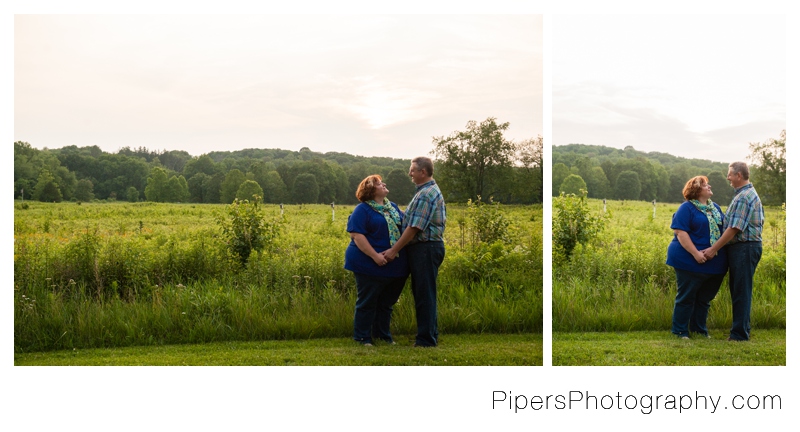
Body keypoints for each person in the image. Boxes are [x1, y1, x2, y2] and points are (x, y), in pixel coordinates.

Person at [383, 157, 446, 347]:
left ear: (423, 172)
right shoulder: (424, 192)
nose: (409, 173)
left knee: (424, 295)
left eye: (412, 170)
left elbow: (414, 227)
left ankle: (426, 340)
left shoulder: (426, 194)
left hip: (425, 248)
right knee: (424, 293)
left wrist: (394, 250)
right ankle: (429, 335)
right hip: (425, 248)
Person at [344, 174, 409, 346]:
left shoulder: (392, 207)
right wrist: (376, 256)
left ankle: (382, 335)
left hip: (394, 265)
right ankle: (363, 337)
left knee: (387, 303)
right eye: (380, 184)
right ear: (371, 190)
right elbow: (357, 235)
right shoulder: (362, 210)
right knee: (367, 302)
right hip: (368, 264)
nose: (384, 184)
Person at [702, 162, 764, 341]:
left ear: (738, 175)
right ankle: (741, 329)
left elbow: (734, 228)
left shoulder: (744, 196)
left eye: (730, 174)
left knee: (741, 291)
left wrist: (714, 249)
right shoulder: (743, 194)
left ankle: (739, 335)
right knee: (739, 290)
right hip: (744, 248)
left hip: (745, 248)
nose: (727, 177)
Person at [665, 176, 727, 339]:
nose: (709, 186)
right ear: (696, 190)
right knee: (686, 297)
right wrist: (696, 254)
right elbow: (680, 232)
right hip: (689, 260)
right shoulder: (687, 208)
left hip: (713, 263)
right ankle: (680, 331)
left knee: (704, 299)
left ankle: (699, 329)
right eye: (705, 185)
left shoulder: (716, 209)